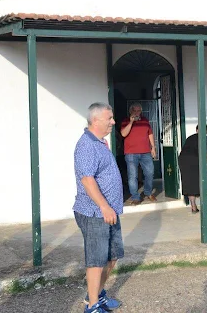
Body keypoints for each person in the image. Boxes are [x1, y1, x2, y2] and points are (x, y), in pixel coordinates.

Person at [73, 103, 123, 313]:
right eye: (109, 118)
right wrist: (104, 206)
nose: (113, 121)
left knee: (112, 257)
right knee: (96, 260)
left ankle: (96, 294)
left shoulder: (100, 142)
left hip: (109, 211)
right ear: (95, 120)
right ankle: (92, 307)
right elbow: (87, 179)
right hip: (95, 212)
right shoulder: (87, 145)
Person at [120, 103, 157, 205]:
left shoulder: (145, 120)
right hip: (131, 153)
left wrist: (153, 147)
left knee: (150, 173)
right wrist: (131, 122)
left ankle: (148, 192)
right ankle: (135, 197)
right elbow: (123, 134)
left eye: (138, 111)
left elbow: (150, 133)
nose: (137, 113)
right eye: (134, 111)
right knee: (133, 176)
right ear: (130, 111)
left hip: (146, 152)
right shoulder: (125, 121)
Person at [178, 125, 207, 214]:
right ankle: (204, 208)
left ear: (196, 130)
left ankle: (194, 207)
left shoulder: (189, 138)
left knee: (190, 184)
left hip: (184, 162)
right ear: (206, 131)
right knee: (203, 183)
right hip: (197, 162)